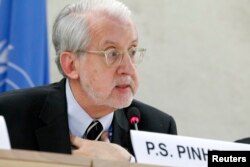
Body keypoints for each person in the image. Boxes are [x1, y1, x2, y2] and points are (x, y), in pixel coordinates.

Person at [0, 0, 177, 162]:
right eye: (112, 53)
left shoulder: (157, 127)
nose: (129, 69)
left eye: (132, 51)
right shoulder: (9, 115)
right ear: (71, 65)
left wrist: (130, 164)